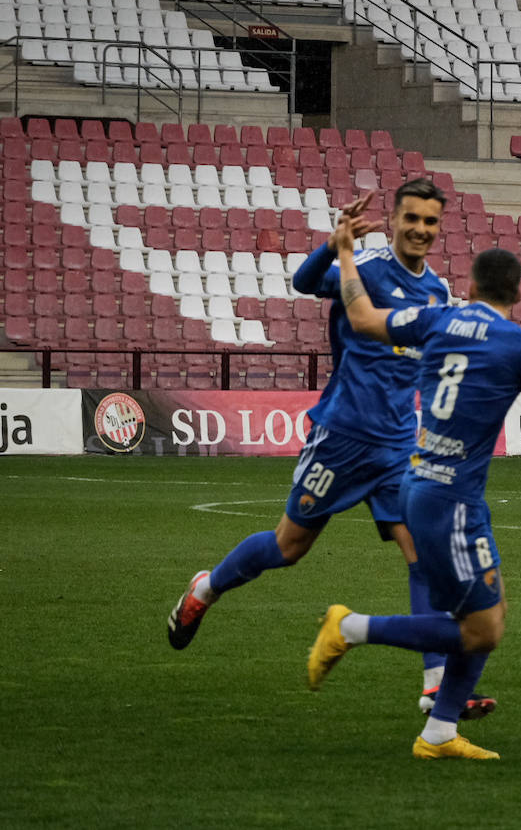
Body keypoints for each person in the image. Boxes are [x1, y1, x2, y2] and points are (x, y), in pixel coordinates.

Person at [305, 228, 521, 761]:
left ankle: (439, 732)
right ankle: (350, 628)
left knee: (492, 613)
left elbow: (365, 320)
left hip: (427, 486)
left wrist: (346, 256)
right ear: (519, 292)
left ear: (471, 283)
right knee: (481, 630)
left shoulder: (441, 319)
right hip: (450, 499)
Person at [167, 178, 493, 720]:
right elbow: (303, 280)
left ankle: (435, 683)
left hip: (396, 446)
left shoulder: (437, 292)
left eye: (430, 222)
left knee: (424, 556)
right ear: (393, 220)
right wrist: (333, 243)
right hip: (340, 437)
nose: (419, 229)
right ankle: (208, 585)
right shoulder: (361, 266)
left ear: (438, 229)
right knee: (288, 547)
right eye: (410, 218)